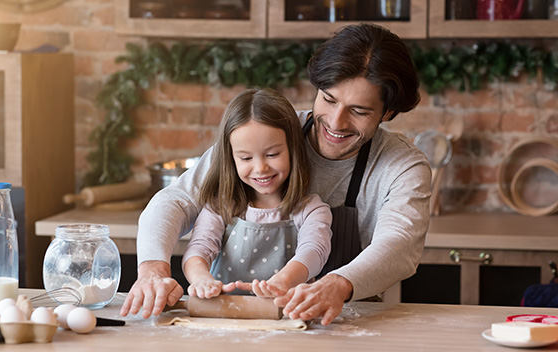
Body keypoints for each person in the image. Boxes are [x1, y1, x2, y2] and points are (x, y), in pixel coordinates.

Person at [120, 23, 431, 325]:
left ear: (388, 113)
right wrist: (152, 270)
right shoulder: (268, 132)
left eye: (359, 111)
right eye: (328, 99)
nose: (336, 122)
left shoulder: (402, 166)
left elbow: (398, 244)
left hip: (347, 322)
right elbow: (175, 200)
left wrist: (338, 284)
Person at [182, 88, 331, 299]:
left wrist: (283, 281)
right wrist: (200, 279)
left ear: (293, 149)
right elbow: (199, 248)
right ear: (231, 159)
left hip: (285, 317)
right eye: (246, 158)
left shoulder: (310, 209)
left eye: (272, 154)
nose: (260, 168)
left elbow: (315, 250)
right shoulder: (220, 206)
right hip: (224, 317)